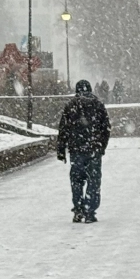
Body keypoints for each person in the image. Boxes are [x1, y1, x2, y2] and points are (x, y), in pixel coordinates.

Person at [56, 79, 111, 223]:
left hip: (76, 150)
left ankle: (78, 209)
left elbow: (63, 129)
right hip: (93, 149)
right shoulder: (98, 105)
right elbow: (106, 128)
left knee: (77, 181)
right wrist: (101, 147)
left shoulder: (70, 106)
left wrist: (61, 149)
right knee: (93, 181)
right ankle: (90, 210)